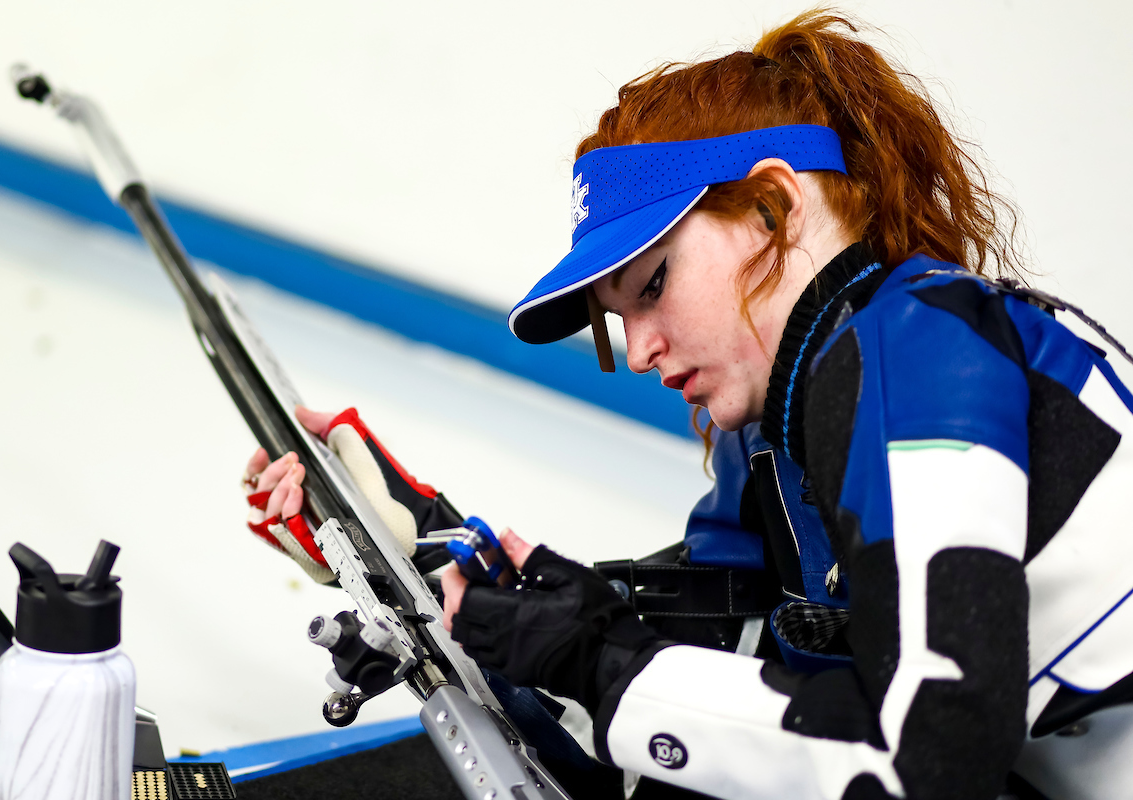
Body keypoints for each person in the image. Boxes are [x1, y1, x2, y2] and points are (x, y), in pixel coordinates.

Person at [243, 12, 1133, 800]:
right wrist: (423, 546)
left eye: (653, 286)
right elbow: (704, 670)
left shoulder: (914, 350)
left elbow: (929, 762)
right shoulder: (782, 430)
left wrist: (593, 656)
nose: (639, 353)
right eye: (619, 320)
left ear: (775, 208)